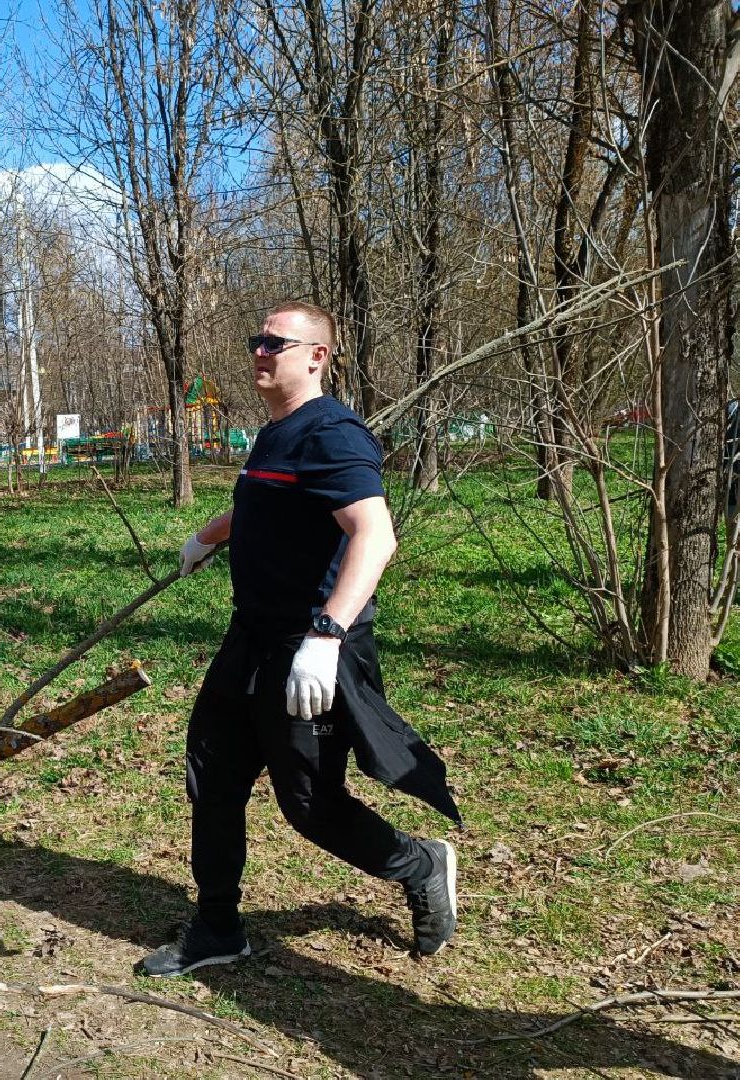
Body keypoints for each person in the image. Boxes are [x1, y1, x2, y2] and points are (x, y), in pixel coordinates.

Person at [142, 300, 461, 979]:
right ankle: (218, 927)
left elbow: (375, 537)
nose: (260, 351)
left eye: (275, 343)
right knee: (214, 775)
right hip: (250, 638)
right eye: (256, 339)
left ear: (315, 356)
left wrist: (327, 634)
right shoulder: (276, 433)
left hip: (307, 649)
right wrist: (209, 536)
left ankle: (419, 862)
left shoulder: (333, 434)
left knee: (311, 806)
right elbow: (268, 501)